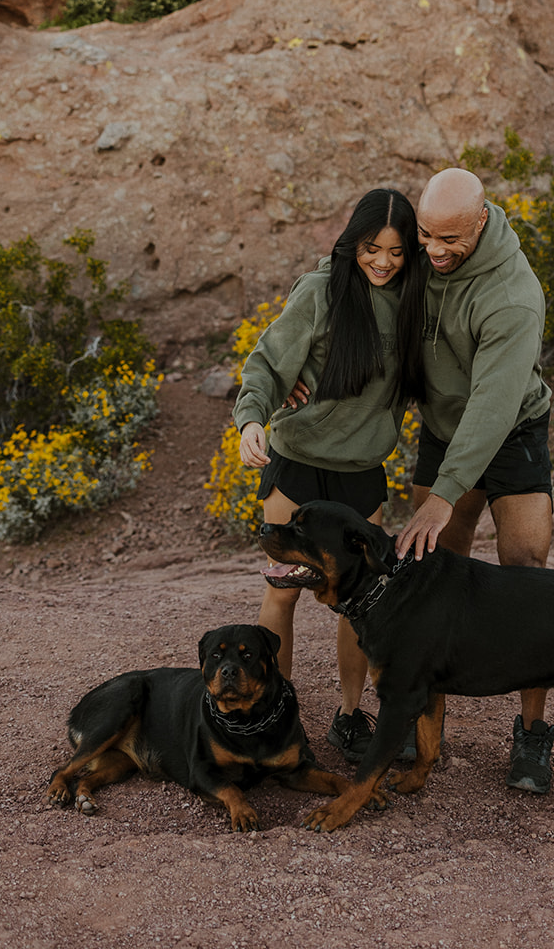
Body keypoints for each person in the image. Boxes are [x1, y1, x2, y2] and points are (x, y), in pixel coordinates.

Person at [234, 187, 426, 764]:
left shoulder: (417, 300)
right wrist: (250, 420)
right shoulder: (320, 292)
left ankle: (349, 716)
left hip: (361, 475)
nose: (383, 262)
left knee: (359, 606)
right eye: (372, 248)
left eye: (395, 251)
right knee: (282, 591)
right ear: (352, 243)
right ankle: (276, 717)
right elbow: (268, 363)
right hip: (295, 469)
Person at [395, 166, 554, 794]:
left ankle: (532, 734)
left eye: (450, 240)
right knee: (428, 573)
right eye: (426, 235)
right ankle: (423, 716)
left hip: (513, 432)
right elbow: (352, 287)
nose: (434, 250)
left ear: (483, 221)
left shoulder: (513, 295)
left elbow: (492, 406)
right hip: (442, 431)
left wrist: (443, 495)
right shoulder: (420, 251)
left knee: (525, 571)